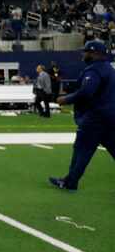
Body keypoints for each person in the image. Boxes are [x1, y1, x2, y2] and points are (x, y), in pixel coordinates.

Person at [49, 40, 115, 191]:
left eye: (86, 52)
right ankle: (70, 181)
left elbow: (86, 92)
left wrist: (66, 99)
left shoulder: (94, 70)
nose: (84, 54)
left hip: (95, 118)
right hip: (111, 117)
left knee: (81, 150)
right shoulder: (110, 70)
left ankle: (70, 182)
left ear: (94, 53)